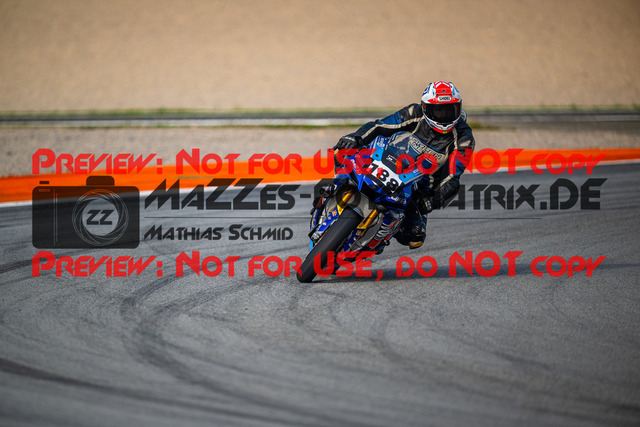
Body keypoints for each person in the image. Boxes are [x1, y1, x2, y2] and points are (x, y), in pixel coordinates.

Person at [332, 81, 475, 249]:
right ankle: (332, 188)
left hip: (418, 186)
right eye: (438, 110)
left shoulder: (464, 137)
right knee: (342, 151)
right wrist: (356, 137)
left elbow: (452, 176)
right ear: (425, 108)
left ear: (459, 108)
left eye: (449, 110)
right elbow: (380, 126)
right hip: (388, 160)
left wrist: (432, 201)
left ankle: (377, 240)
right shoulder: (414, 113)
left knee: (415, 236)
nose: (443, 116)